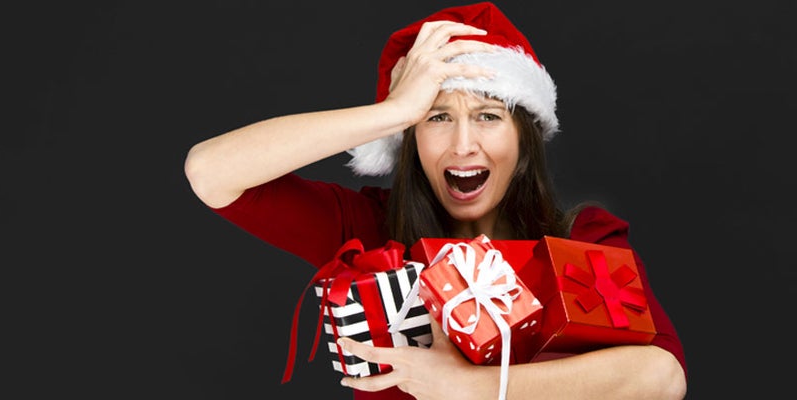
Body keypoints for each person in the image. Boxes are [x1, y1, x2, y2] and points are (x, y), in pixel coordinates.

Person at [184, 2, 687, 399]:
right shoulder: (367, 228)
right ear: (409, 136)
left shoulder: (581, 237)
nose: (463, 144)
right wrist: (391, 112)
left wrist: (474, 390)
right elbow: (211, 172)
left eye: (489, 116)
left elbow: (661, 376)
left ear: (523, 138)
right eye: (437, 117)